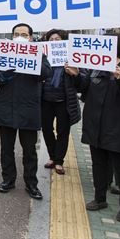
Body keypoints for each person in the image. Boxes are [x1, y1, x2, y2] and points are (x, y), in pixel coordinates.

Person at [78, 33, 120, 223]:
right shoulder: (95, 68)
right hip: (94, 124)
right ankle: (99, 198)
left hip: (118, 126)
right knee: (98, 163)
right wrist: (74, 75)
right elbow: (83, 89)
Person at [0, 23, 52, 200]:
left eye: (24, 34)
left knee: (29, 150)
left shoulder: (39, 54)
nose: (20, 37)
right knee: (6, 148)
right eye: (16, 34)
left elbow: (47, 73)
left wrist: (33, 58)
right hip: (6, 107)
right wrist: (4, 76)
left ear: (31, 37)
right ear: (11, 37)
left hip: (29, 109)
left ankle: (31, 183)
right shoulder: (2, 54)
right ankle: (8, 179)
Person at [41, 29, 81, 176]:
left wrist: (74, 73)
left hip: (64, 101)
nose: (54, 42)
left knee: (63, 131)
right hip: (45, 100)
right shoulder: (43, 58)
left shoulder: (72, 59)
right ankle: (52, 156)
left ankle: (59, 161)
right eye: (51, 39)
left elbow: (80, 81)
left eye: (57, 39)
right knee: (46, 129)